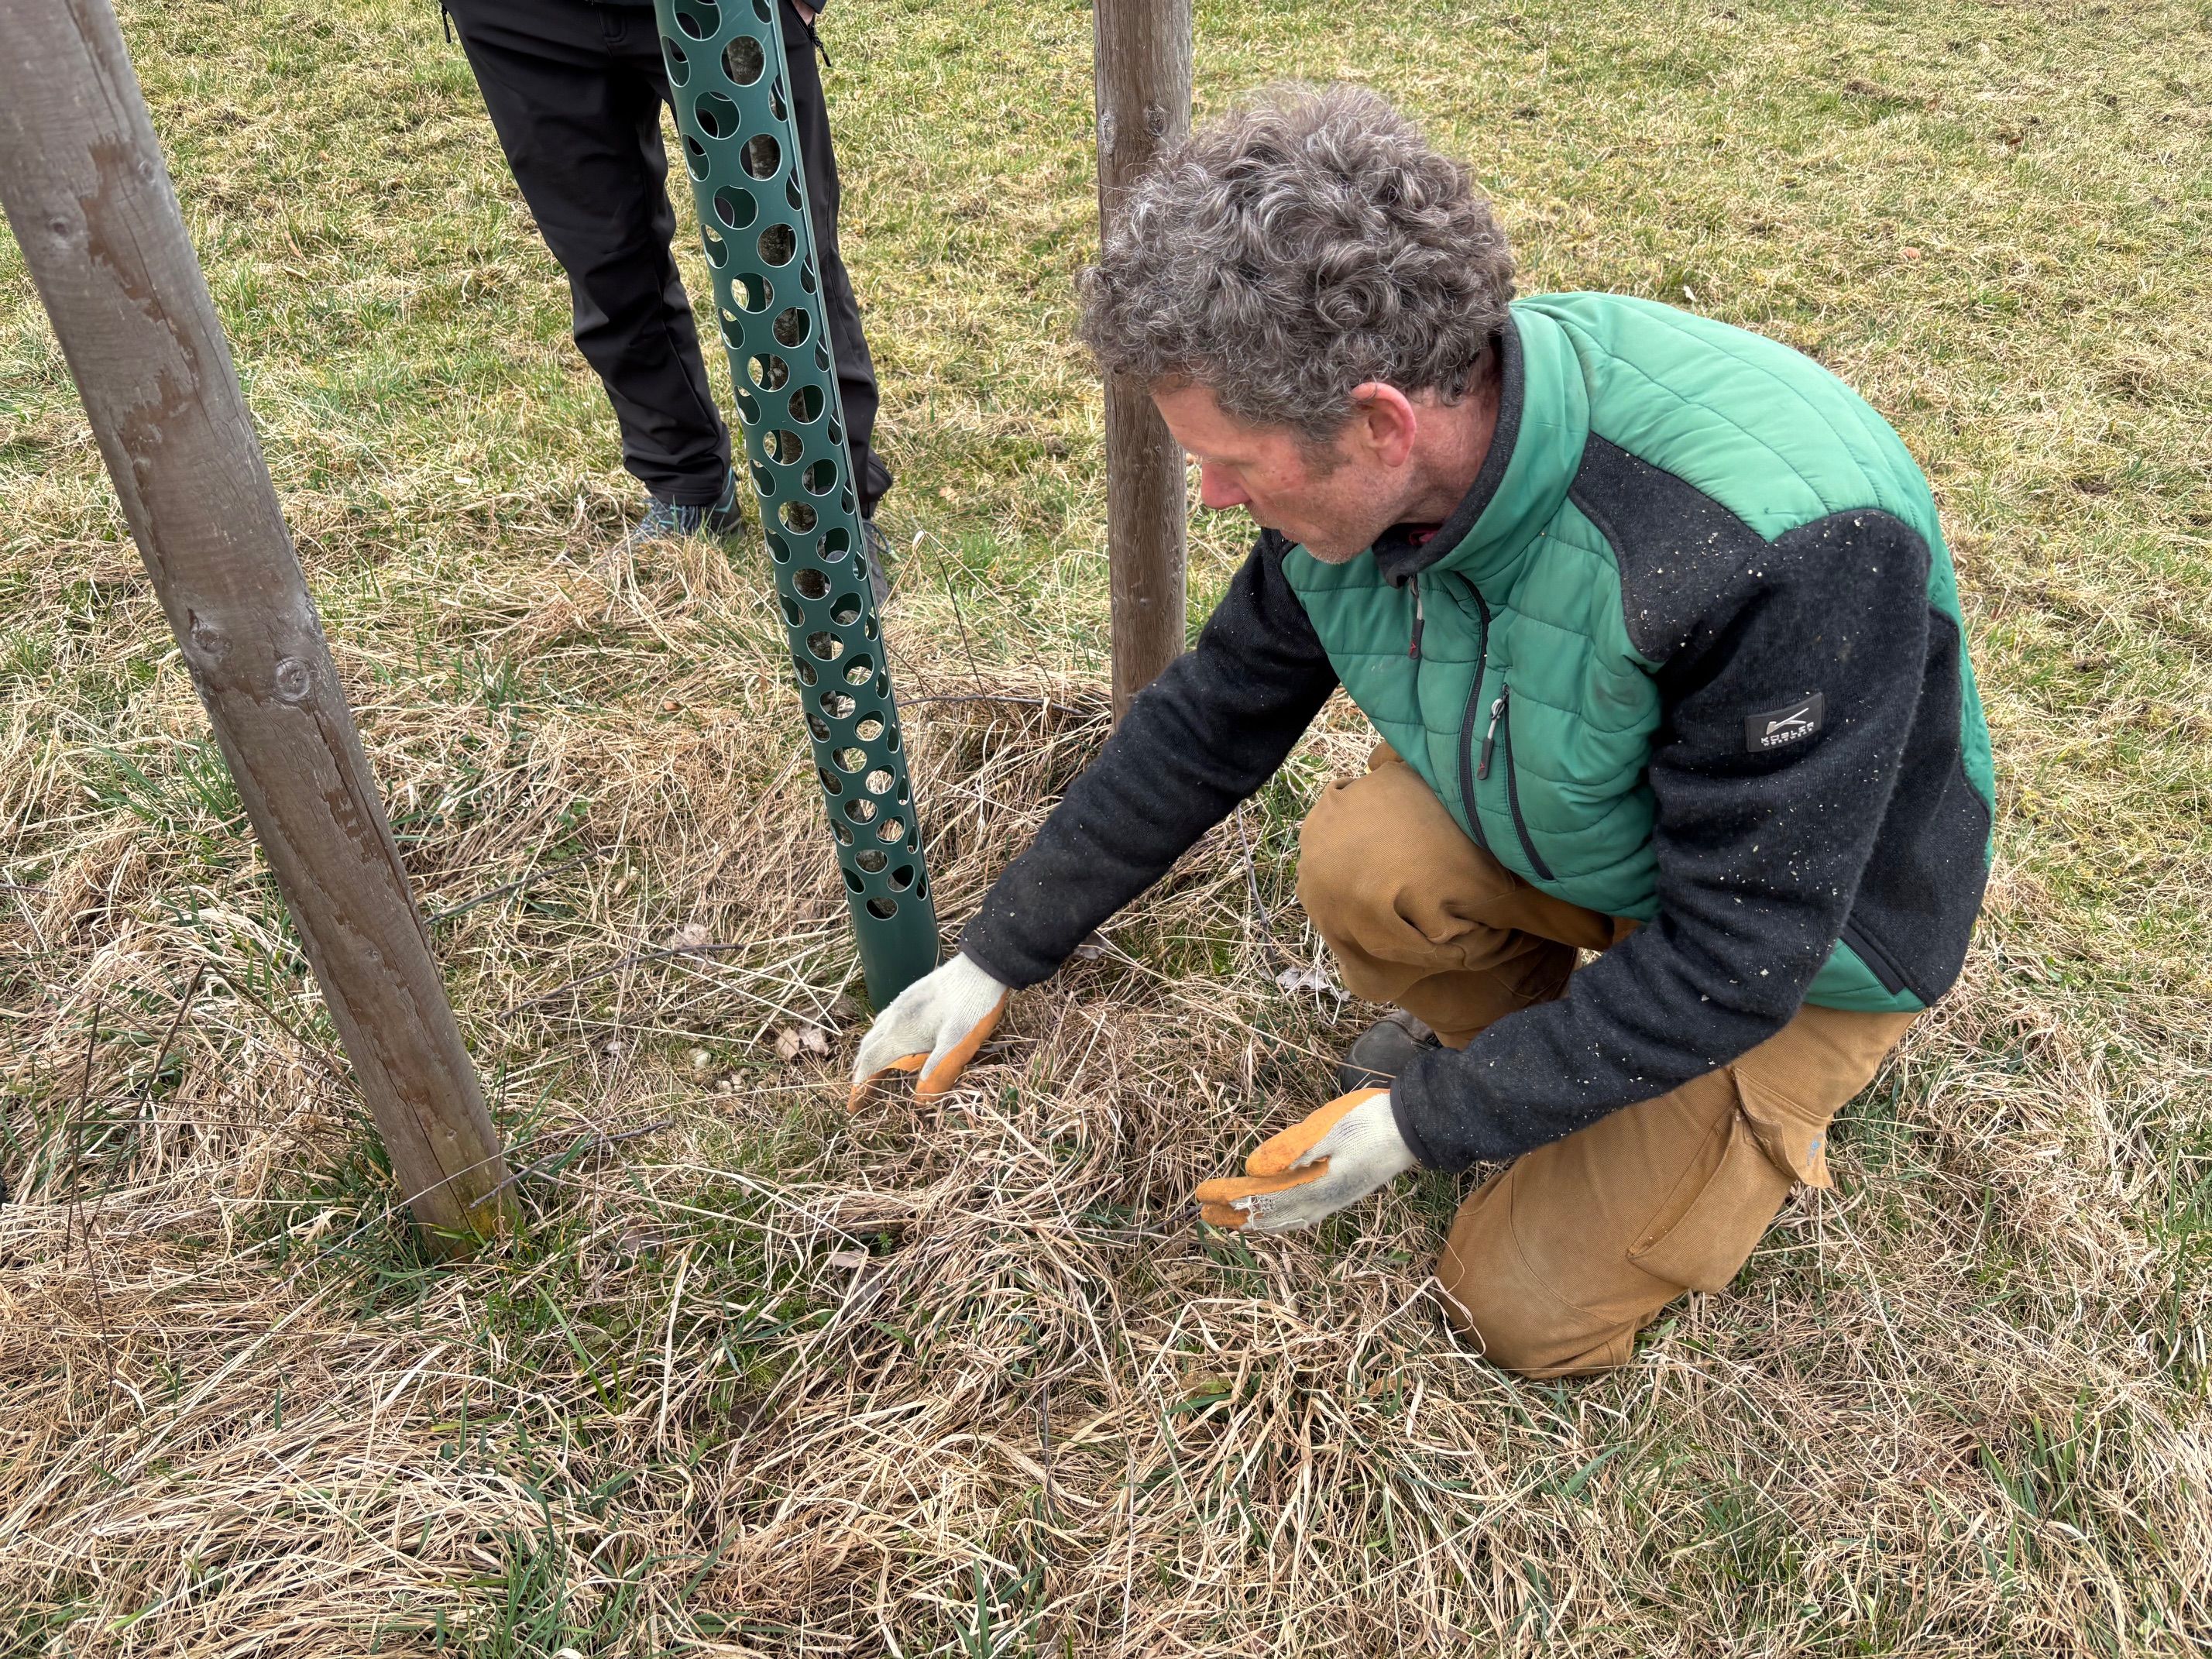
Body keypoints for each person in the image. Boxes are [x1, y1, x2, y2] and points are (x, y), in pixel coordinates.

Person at [849, 86, 1993, 1379]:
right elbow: (1212, 720)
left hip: (1807, 940)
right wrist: (998, 955)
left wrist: (1426, 1122)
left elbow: (1745, 946)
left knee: (1515, 1310)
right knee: (1364, 866)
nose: (1214, 496)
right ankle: (1575, 1054)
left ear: (1383, 422)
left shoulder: (1778, 543)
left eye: (1230, 462)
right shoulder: (1355, 486)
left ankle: (1706, 1097)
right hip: (1609, 839)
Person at [441, 0, 894, 562]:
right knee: (605, 264)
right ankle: (689, 488)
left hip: (723, 8)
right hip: (522, 19)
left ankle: (833, 510)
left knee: (785, 252)